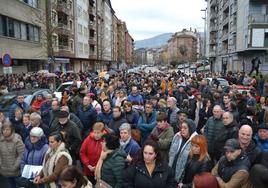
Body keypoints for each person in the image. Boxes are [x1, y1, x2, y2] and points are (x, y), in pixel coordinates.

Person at [0, 121, 25, 188]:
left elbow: (22, 154)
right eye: (4, 129)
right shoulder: (1, 140)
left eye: (7, 129)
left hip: (15, 170)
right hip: (5, 169)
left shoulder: (17, 140)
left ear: (11, 130)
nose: (5, 131)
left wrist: (15, 166)